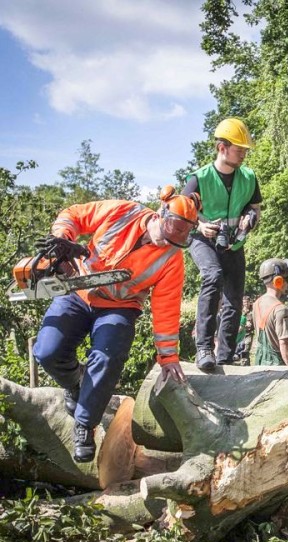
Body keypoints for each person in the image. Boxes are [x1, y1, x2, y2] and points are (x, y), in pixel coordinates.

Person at [33, 186, 199, 462]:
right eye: (167, 236)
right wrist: (62, 239)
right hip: (79, 289)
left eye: (177, 240)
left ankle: (84, 426)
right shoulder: (123, 211)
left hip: (120, 307)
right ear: (160, 215)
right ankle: (76, 382)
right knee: (47, 351)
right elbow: (73, 214)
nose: (167, 244)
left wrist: (168, 356)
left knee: (108, 357)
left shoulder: (172, 258)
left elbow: (166, 307)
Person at [183, 117, 262, 372]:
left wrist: (250, 218)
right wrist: (199, 225)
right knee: (213, 276)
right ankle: (204, 348)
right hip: (202, 239)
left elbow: (255, 207)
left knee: (235, 297)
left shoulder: (248, 177)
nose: (243, 156)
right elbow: (178, 213)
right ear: (222, 148)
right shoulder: (199, 178)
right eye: (240, 150)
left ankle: (226, 356)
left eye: (245, 151)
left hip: (233, 244)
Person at [252, 259, 288, 366]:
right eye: (287, 279)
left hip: (259, 363)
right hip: (277, 366)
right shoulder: (281, 309)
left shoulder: (256, 304)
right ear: (279, 281)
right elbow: (284, 343)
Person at [233, 295, 254, 365]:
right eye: (244, 302)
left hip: (249, 333)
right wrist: (245, 325)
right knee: (239, 348)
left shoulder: (253, 311)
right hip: (241, 333)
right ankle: (240, 361)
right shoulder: (240, 311)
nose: (246, 304)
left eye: (247, 302)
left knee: (246, 348)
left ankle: (245, 363)